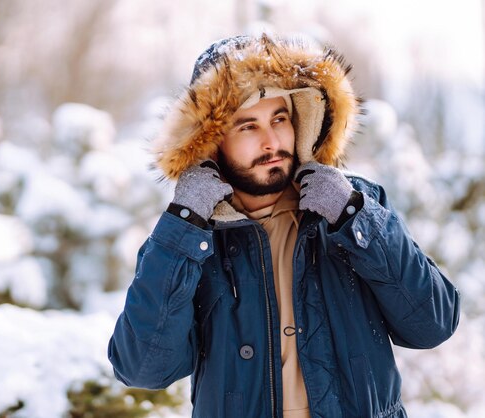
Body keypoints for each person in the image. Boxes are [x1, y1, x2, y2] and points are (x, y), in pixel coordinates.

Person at [108, 34, 460, 418]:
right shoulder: (192, 236)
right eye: (247, 126)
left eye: (279, 119)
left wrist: (354, 217)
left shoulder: (354, 206)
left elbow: (433, 323)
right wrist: (184, 225)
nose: (271, 141)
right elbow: (143, 368)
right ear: (212, 142)